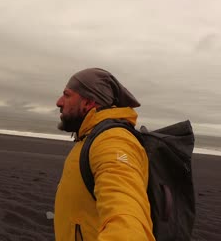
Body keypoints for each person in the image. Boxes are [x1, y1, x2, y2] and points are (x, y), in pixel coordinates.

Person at [54, 68, 155, 241]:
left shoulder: (112, 140)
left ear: (88, 102)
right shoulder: (87, 136)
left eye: (67, 95)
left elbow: (127, 219)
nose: (59, 102)